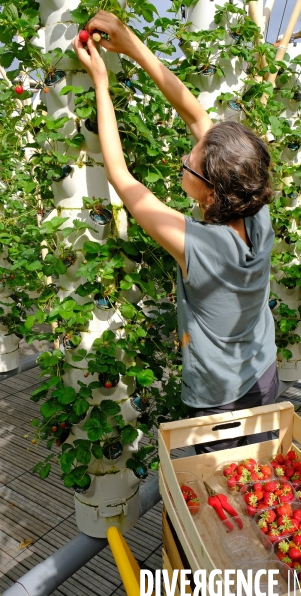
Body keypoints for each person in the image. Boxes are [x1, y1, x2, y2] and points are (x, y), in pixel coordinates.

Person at [72, 11, 278, 453]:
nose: (189, 150)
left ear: (209, 193)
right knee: (261, 473)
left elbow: (121, 176)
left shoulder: (198, 246)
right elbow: (194, 113)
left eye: (190, 162)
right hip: (263, 370)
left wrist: (102, 85)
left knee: (223, 496)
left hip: (219, 400)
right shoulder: (257, 210)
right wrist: (134, 46)